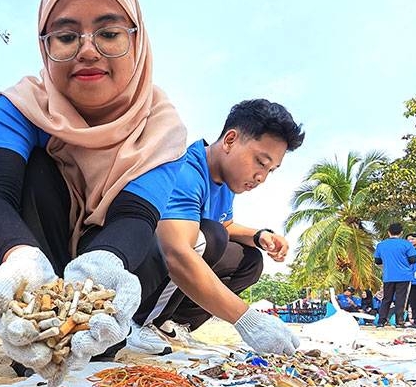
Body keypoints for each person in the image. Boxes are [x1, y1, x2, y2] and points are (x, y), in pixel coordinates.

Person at [0, 0, 188, 385]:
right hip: (41, 258)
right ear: (45, 45)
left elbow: (134, 217)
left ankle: (118, 328)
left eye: (108, 34)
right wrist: (21, 259)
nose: (87, 51)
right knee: (36, 168)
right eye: (67, 37)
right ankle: (34, 318)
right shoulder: (20, 105)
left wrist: (96, 276)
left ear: (137, 41)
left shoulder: (161, 127)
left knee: (159, 245)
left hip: (111, 265)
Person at [127, 99, 304, 356]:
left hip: (178, 249)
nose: (262, 177)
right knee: (210, 237)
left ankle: (172, 325)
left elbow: (225, 223)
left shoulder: (225, 182)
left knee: (250, 260)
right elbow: (176, 253)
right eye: (260, 162)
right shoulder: (187, 171)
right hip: (137, 267)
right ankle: (139, 323)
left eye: (271, 170)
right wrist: (247, 320)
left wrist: (258, 235)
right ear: (230, 140)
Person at [373, 223, 416, 328]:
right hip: (404, 276)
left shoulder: (381, 244)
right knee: (401, 299)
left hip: (388, 276)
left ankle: (381, 321)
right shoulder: (406, 244)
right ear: (401, 233)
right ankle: (399, 321)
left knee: (386, 299)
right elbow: (413, 259)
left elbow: (377, 261)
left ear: (388, 232)